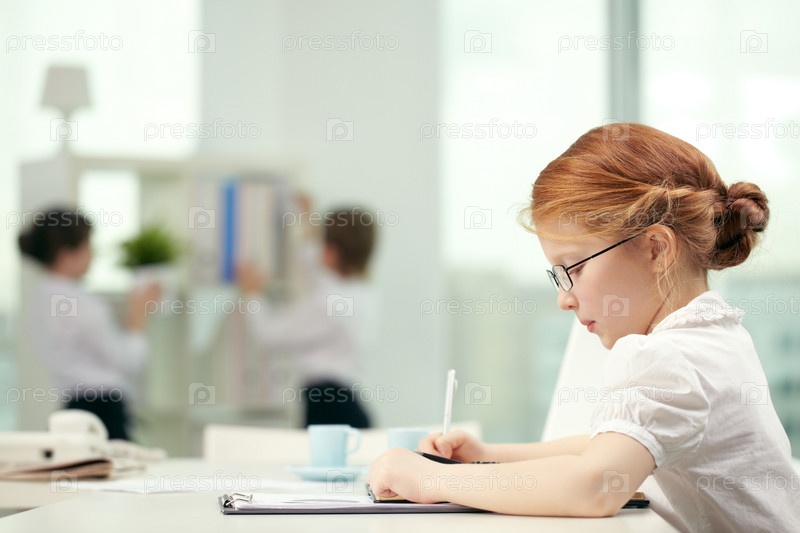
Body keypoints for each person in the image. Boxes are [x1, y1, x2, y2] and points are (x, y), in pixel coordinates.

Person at [368, 123, 800, 531]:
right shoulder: (713, 337)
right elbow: (607, 444)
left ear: (656, 248)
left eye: (572, 267)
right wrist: (486, 456)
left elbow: (593, 485)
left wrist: (427, 480)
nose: (564, 298)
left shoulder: (670, 357)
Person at [18, 207, 159, 440]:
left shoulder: (40, 299)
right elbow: (127, 361)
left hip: (73, 409)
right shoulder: (79, 302)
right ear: (66, 255)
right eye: (88, 246)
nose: (93, 254)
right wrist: (138, 315)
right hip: (103, 412)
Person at [238, 203, 377, 428]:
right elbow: (322, 272)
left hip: (327, 407)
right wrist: (308, 222)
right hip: (344, 404)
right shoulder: (361, 293)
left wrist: (253, 295)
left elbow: (269, 335)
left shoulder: (328, 303)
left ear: (331, 252)